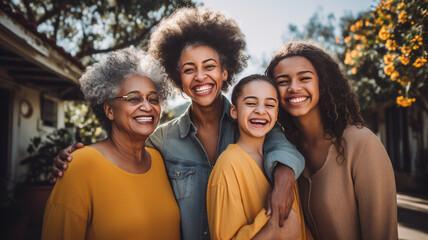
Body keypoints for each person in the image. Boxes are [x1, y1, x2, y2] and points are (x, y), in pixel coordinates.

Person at [51, 8, 304, 240]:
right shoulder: (161, 141)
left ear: (224, 72)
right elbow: (124, 151)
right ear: (178, 79)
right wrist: (76, 160)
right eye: (189, 69)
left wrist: (284, 178)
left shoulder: (253, 124)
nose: (201, 76)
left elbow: (286, 150)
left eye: (209, 66)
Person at [42, 47, 180, 240]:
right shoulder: (80, 165)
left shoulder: (159, 159)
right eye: (134, 98)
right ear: (109, 110)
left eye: (153, 98)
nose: (147, 106)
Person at [265, 41, 398, 240]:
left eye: (305, 78)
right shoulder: (286, 149)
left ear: (323, 83)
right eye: (283, 81)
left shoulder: (361, 144)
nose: (294, 87)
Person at [207, 74, 312, 240]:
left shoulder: (283, 164)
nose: (261, 110)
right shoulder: (229, 165)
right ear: (234, 111)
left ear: (276, 115)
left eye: (269, 105)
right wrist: (272, 228)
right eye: (250, 103)